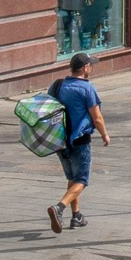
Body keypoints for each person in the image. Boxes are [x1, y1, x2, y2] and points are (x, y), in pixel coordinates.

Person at [46, 52, 109, 233]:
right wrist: (105, 135)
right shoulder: (86, 88)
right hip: (79, 141)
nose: (91, 68)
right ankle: (59, 207)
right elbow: (97, 117)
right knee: (81, 180)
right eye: (91, 65)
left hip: (60, 141)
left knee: (72, 179)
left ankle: (76, 216)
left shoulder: (57, 85)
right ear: (85, 68)